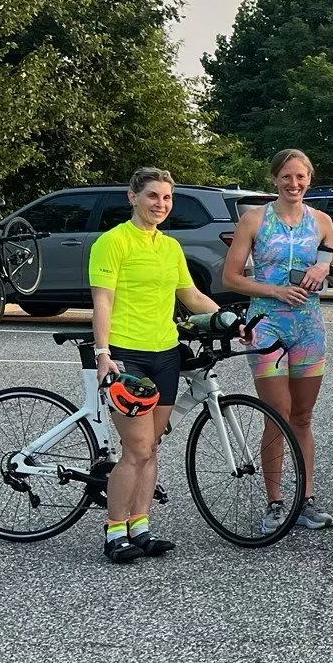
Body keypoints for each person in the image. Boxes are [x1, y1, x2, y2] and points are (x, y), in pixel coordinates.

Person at [89, 167, 231, 563]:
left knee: (151, 447)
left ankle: (141, 526)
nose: (160, 204)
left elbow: (191, 295)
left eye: (167, 198)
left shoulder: (169, 247)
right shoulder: (111, 242)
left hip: (166, 354)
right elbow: (102, 302)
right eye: (153, 196)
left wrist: (227, 319)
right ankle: (114, 531)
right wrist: (103, 353)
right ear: (132, 197)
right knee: (135, 449)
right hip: (126, 354)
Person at [222, 147, 333, 535]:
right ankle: (275, 503)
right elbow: (231, 277)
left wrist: (323, 266)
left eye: (300, 176)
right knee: (277, 413)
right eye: (286, 176)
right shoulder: (254, 219)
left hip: (308, 326)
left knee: (303, 417)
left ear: (309, 179)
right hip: (267, 324)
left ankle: (305, 500)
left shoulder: (321, 221)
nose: (294, 183)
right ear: (274, 179)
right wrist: (274, 291)